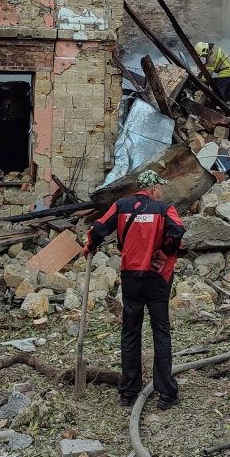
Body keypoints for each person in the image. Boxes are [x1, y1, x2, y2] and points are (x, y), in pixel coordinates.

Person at [85, 169, 185, 410]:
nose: (161, 191)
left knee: (130, 330)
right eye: (159, 187)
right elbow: (178, 231)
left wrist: (91, 246)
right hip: (157, 277)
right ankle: (166, 393)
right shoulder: (164, 209)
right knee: (161, 330)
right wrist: (165, 252)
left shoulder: (121, 206)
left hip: (131, 275)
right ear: (153, 189)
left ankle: (129, 391)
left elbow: (98, 228)